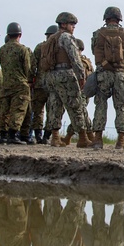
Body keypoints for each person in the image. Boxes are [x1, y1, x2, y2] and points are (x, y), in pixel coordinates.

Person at [41, 12, 90, 147]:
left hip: (51, 76)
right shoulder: (66, 37)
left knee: (55, 105)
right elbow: (75, 58)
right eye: (71, 24)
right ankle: (82, 138)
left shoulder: (51, 39)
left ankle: (55, 137)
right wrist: (81, 76)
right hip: (65, 74)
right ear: (63, 24)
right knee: (75, 105)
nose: (73, 27)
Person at [90, 6, 124, 149]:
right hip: (120, 74)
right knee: (121, 106)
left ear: (106, 18)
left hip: (103, 74)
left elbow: (94, 52)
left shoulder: (98, 34)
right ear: (119, 19)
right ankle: (120, 141)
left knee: (100, 104)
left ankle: (97, 140)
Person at [0, 22, 32, 145]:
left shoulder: (2, 49)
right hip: (20, 84)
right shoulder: (22, 49)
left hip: (6, 83)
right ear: (19, 34)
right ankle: (13, 134)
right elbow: (27, 68)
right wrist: (29, 80)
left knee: (4, 110)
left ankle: (2, 134)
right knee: (19, 109)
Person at [28, 25, 57, 145]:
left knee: (38, 111)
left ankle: (38, 135)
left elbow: (32, 65)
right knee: (52, 110)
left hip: (39, 84)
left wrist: (30, 80)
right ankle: (47, 135)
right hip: (53, 85)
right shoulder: (58, 48)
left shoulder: (40, 47)